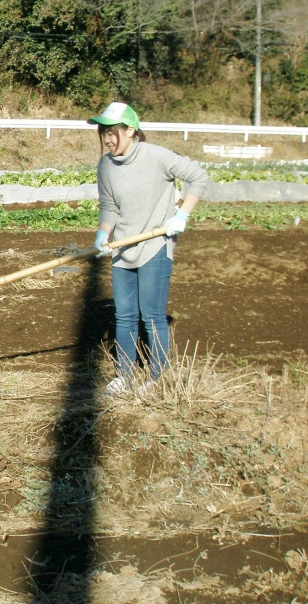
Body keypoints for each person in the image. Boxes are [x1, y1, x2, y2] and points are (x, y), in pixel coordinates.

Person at [88, 102, 210, 395]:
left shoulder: (157, 157)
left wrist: (182, 214)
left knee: (151, 316)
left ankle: (158, 377)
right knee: (124, 315)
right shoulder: (106, 165)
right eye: (103, 132)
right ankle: (125, 376)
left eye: (112, 132)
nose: (107, 138)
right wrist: (103, 233)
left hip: (155, 244)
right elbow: (110, 205)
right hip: (123, 247)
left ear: (130, 131)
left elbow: (199, 177)